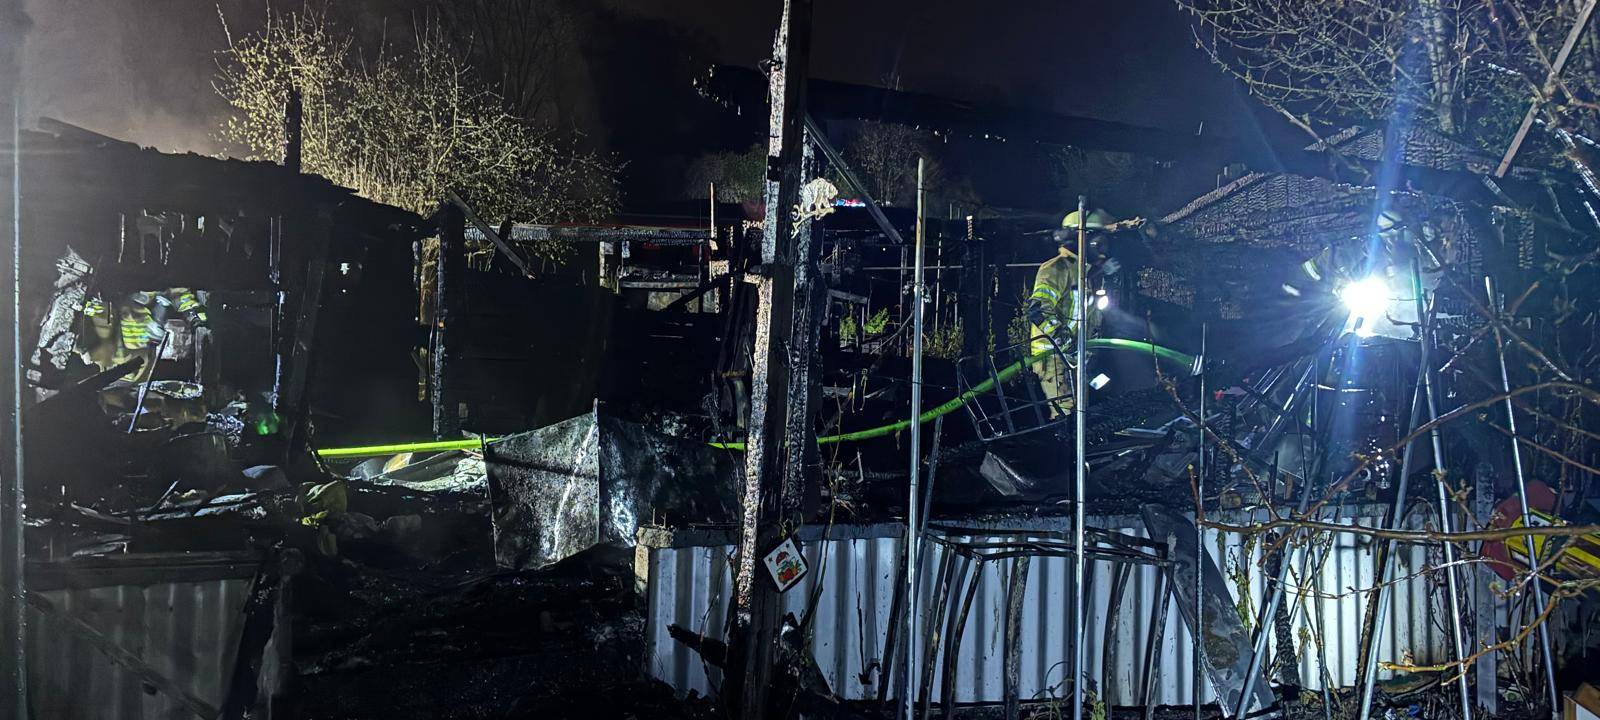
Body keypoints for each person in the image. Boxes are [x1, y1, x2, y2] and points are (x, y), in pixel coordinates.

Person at [1026, 209, 1124, 418]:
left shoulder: (1084, 275)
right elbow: (1038, 309)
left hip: (1074, 358)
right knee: (1066, 416)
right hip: (1052, 357)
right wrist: (1064, 341)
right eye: (1100, 241)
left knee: (1080, 414)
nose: (1103, 249)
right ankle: (1061, 450)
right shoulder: (1056, 268)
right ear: (1084, 239)